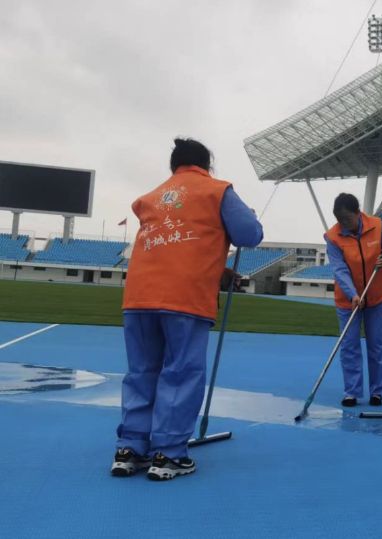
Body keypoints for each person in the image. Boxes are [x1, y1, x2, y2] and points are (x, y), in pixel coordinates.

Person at [113, 138, 263, 481]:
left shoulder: (150, 197)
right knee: (180, 373)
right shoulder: (217, 190)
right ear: (207, 165)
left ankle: (130, 448)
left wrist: (219, 269)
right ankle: (168, 453)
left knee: (141, 372)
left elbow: (174, 246)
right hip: (185, 298)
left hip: (139, 297)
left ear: (174, 165)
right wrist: (250, 218)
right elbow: (249, 235)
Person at [325, 193, 382, 407]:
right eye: (339, 219)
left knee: (377, 345)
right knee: (349, 346)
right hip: (348, 300)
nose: (343, 223)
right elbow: (339, 269)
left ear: (358, 213)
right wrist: (353, 294)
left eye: (347, 218)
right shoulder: (332, 237)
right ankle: (351, 392)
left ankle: (378, 391)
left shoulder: (377, 225)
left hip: (377, 296)